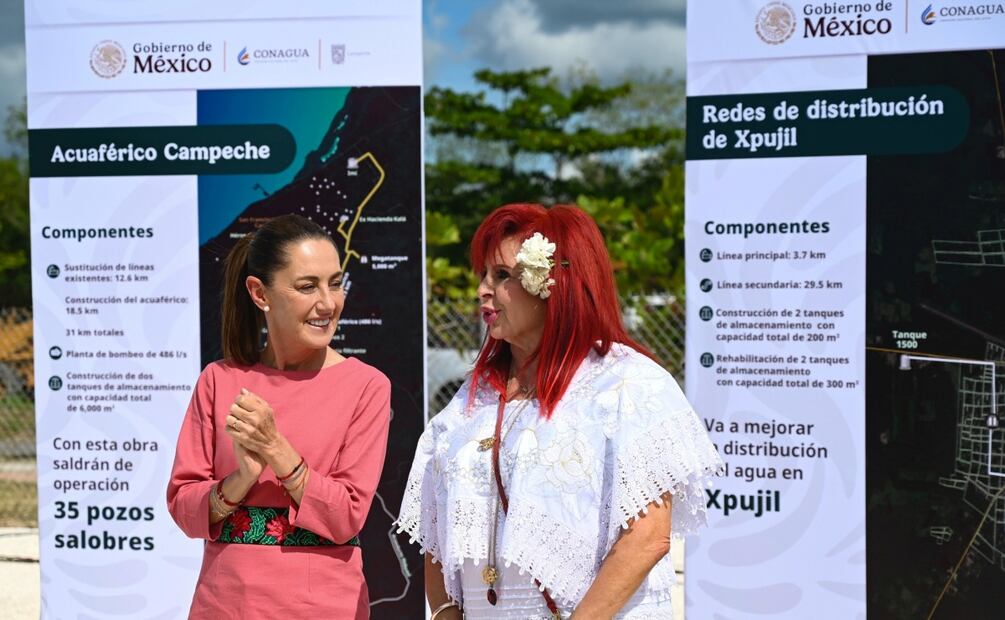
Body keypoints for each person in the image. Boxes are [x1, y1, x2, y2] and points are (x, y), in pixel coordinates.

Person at [397, 204, 723, 619]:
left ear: (555, 284)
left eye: (501, 276)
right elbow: (436, 530)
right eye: (483, 274)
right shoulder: (469, 400)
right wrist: (446, 613)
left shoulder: (627, 384)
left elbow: (648, 536)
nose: (482, 289)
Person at [167, 214, 391, 619]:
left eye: (335, 283)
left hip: (325, 606)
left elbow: (346, 517)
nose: (328, 303)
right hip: (224, 604)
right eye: (308, 287)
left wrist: (276, 449)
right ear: (259, 293)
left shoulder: (366, 387)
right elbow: (184, 507)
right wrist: (240, 480)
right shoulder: (218, 380)